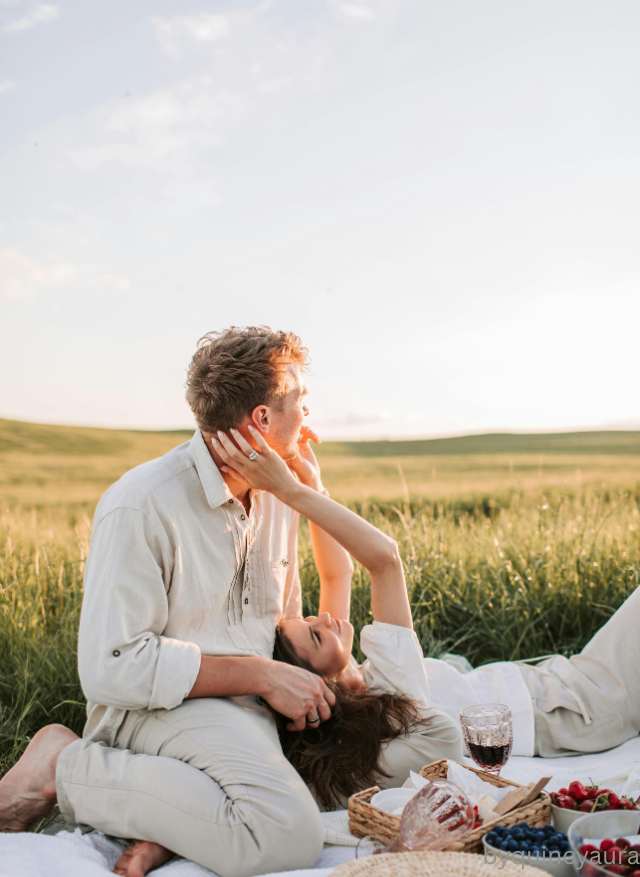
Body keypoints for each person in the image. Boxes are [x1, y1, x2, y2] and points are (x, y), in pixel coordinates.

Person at [0, 326, 460, 877]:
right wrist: (260, 675)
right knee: (284, 835)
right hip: (166, 710)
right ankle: (65, 765)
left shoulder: (279, 498)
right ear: (262, 421)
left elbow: (285, 618)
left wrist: (328, 684)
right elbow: (111, 668)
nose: (309, 423)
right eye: (301, 405)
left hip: (254, 714)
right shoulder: (141, 504)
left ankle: (171, 824)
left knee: (426, 751)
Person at [210, 425, 640, 771]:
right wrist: (291, 493)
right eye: (317, 636)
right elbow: (384, 561)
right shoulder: (391, 687)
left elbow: (335, 573)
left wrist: (312, 481)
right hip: (575, 710)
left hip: (558, 688)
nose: (324, 620)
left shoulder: (358, 680)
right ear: (318, 686)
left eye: (310, 619)